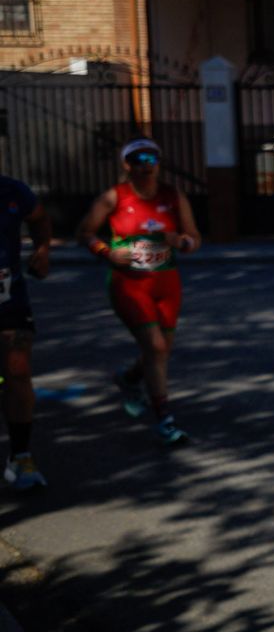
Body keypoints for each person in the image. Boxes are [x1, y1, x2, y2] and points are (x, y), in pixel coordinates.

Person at [77, 138, 203, 446]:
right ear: (127, 165)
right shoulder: (114, 197)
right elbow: (85, 232)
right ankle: (164, 419)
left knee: (160, 351)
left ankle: (129, 379)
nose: (147, 164)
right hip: (129, 282)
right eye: (140, 158)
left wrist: (181, 242)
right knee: (156, 347)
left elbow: (194, 238)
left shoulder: (173, 196)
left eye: (153, 158)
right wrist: (107, 252)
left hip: (166, 282)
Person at [1, 175, 52, 490]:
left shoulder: (12, 190)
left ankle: (20, 457)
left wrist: (43, 249)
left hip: (9, 298)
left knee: (18, 374)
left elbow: (40, 217)